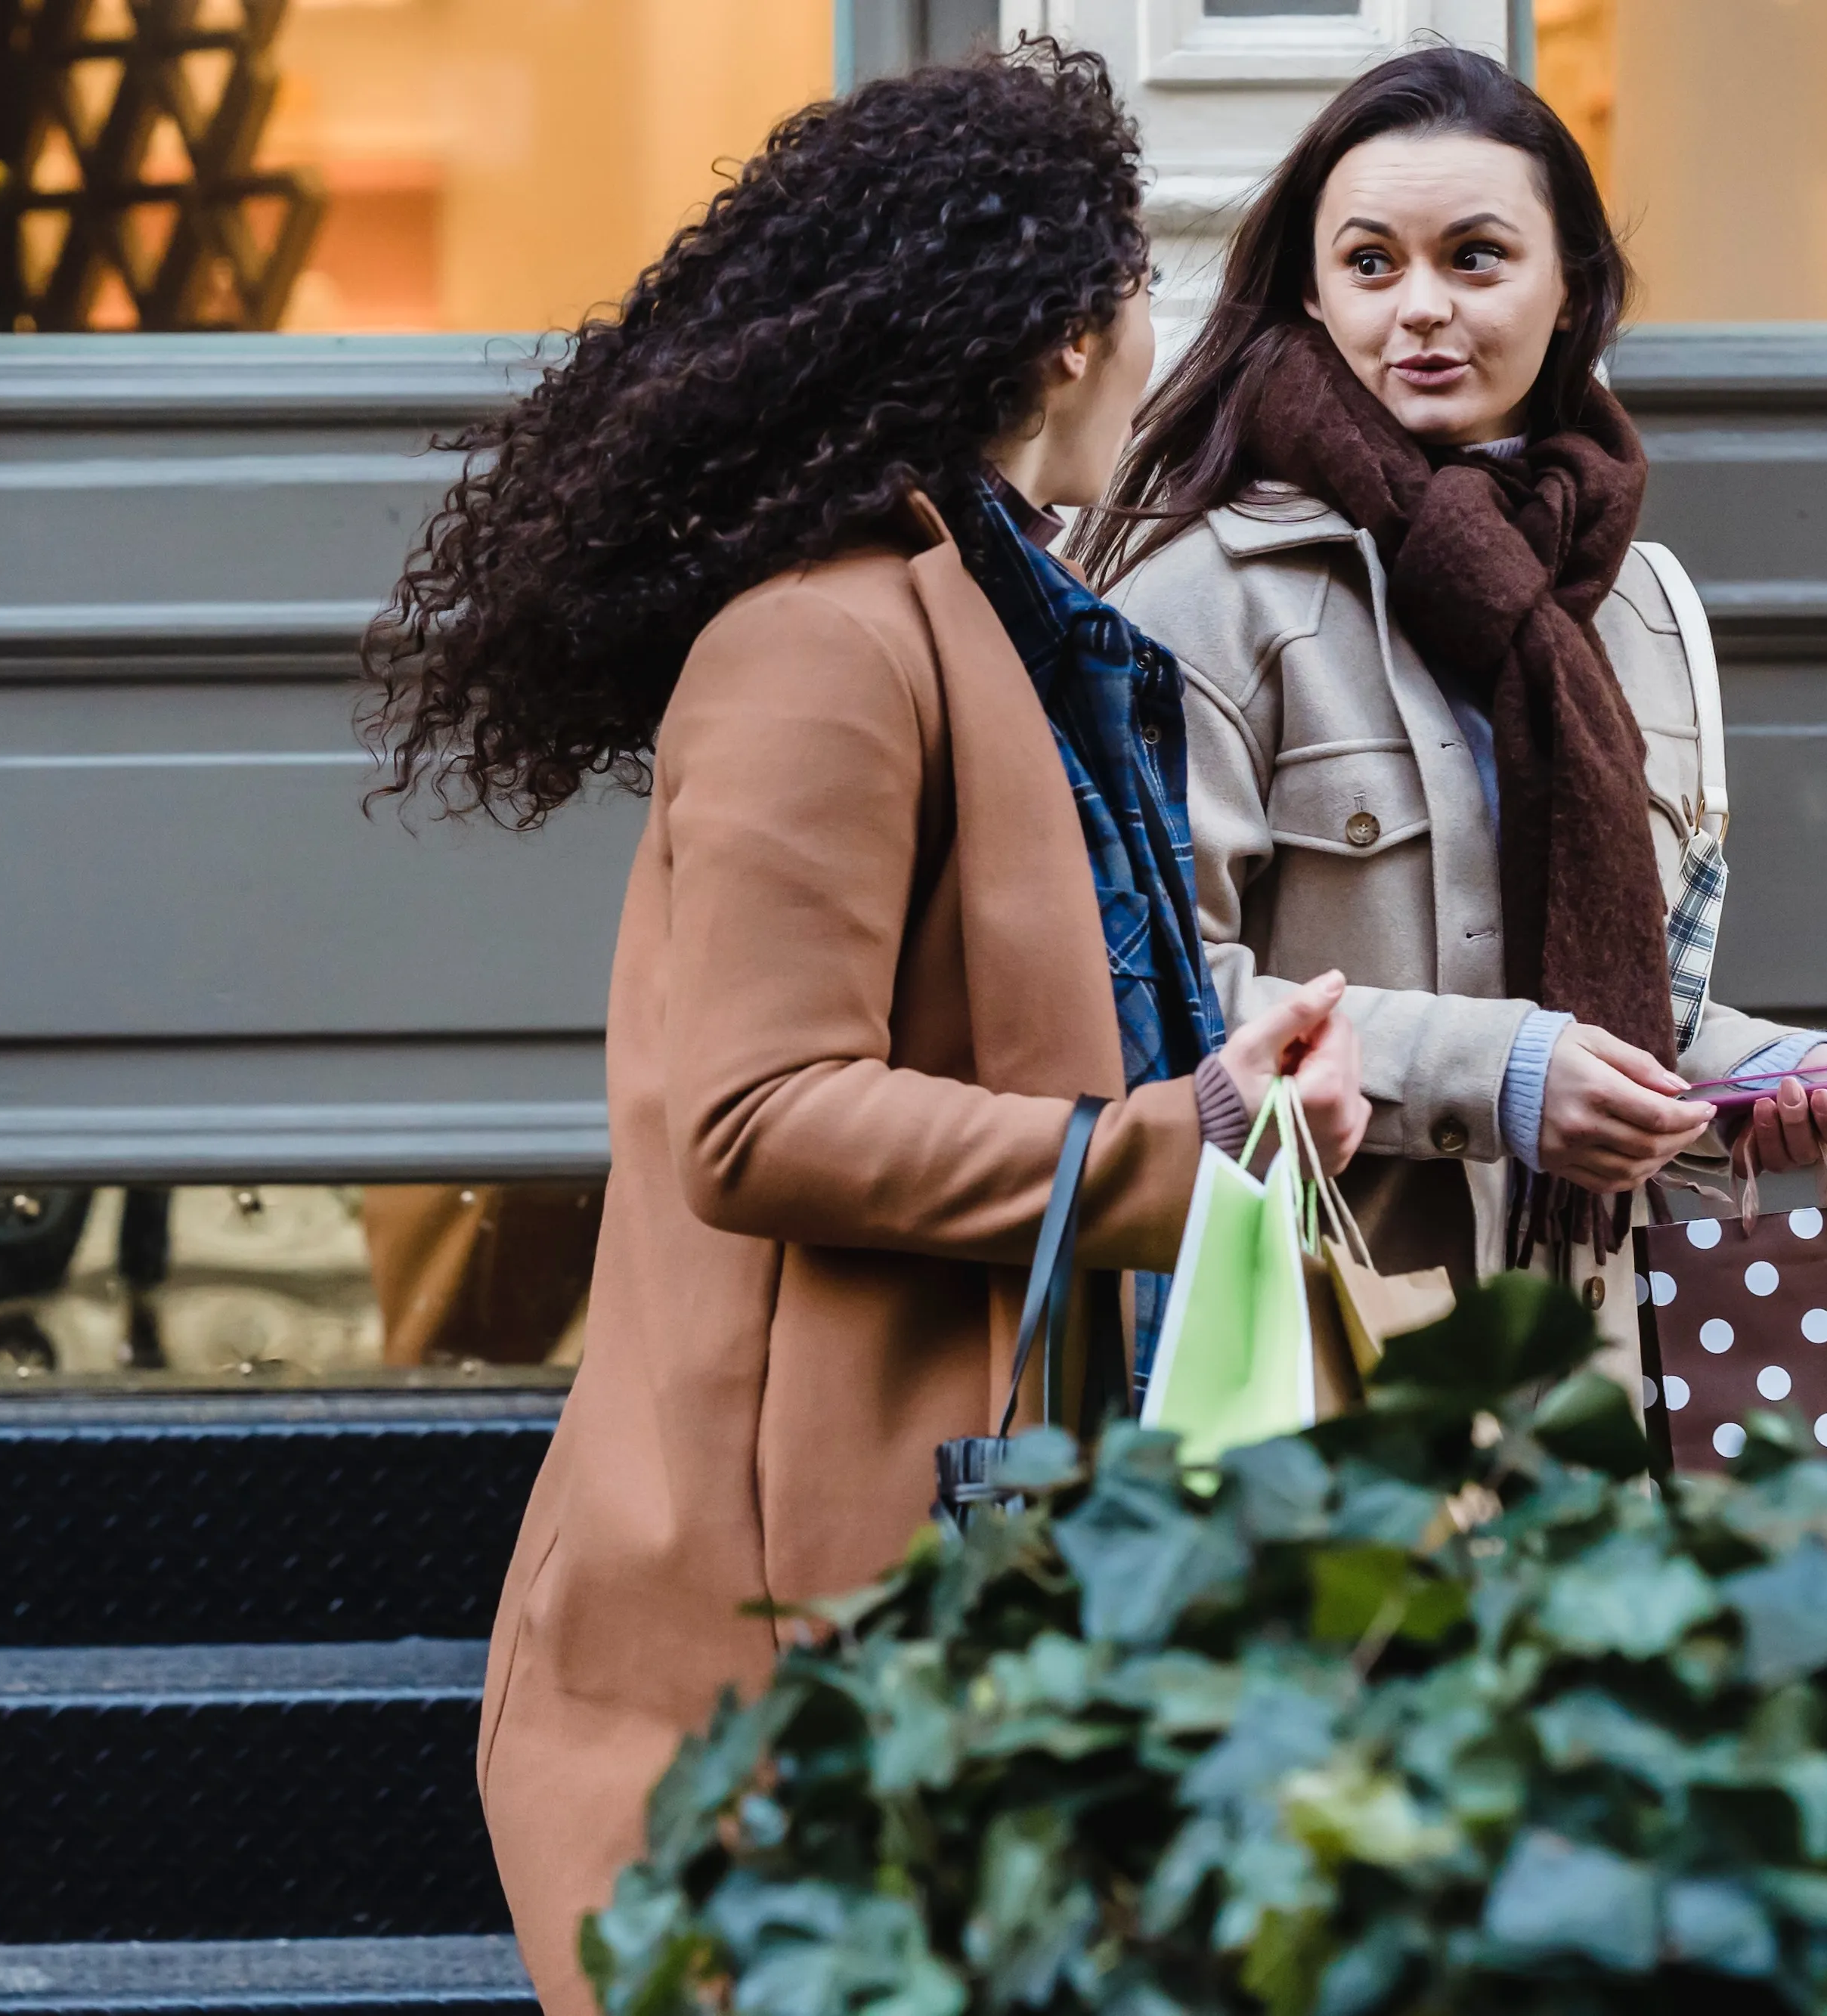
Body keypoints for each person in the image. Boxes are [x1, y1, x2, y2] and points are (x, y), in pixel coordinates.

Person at [359, 48, 1367, 2016]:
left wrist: (1221, 1084)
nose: (1154, 343)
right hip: (782, 1613)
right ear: (1071, 329)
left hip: (943, 1556)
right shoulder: (827, 638)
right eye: (1144, 295)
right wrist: (1177, 1140)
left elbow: (1009, 1027)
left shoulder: (985, 615)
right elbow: (750, 1114)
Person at [1087, 47, 1827, 1359]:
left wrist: (1749, 1070)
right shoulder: (1207, 605)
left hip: (1593, 1371)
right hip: (1324, 1373)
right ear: (1311, 290)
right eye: (1370, 263)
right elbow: (1152, 999)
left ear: (1572, 290)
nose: (1419, 307)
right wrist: (1497, 1080)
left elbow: (1624, 987)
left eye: (1474, 257)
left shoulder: (1636, 604)